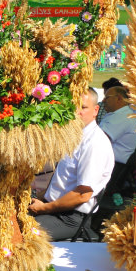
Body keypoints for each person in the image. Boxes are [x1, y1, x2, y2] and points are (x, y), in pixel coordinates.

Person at [29, 88, 114, 240]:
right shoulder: (75, 137)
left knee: (19, 234)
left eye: (83, 107)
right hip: (54, 209)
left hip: (70, 219)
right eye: (73, 106)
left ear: (96, 110)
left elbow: (82, 195)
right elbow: (63, 183)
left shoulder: (95, 143)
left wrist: (44, 208)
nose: (76, 112)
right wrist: (40, 199)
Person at [99, 85, 136, 194]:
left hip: (110, 168)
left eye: (107, 97)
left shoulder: (123, 117)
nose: (103, 101)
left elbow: (99, 139)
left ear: (119, 99)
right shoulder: (118, 114)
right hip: (109, 165)